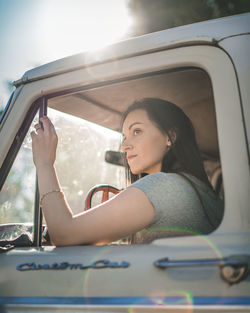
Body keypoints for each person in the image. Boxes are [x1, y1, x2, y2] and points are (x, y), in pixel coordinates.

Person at [31, 98, 223, 246]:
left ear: (170, 137)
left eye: (137, 131)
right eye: (123, 136)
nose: (124, 146)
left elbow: (64, 234)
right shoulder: (198, 189)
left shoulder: (163, 186)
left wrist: (44, 163)